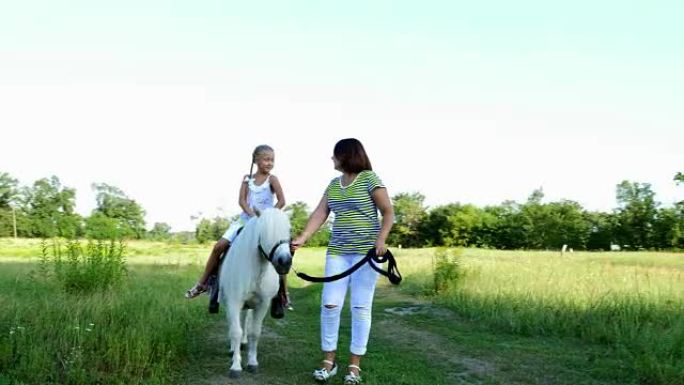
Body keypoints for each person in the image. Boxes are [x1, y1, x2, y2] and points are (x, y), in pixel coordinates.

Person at [291, 138, 394, 385]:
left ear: (346, 156)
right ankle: (329, 361)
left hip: (365, 254)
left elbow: (388, 212)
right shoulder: (333, 185)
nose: (332, 159)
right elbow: (320, 212)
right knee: (329, 305)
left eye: (334, 155)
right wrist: (303, 237)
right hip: (338, 252)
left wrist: (381, 239)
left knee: (360, 308)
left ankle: (354, 366)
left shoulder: (370, 179)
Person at [185, 144, 292, 310]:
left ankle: (283, 293)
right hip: (245, 219)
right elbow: (242, 201)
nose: (270, 163)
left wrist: (268, 217)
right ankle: (204, 283)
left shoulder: (273, 179)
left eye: (272, 160)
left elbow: (282, 201)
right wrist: (251, 214)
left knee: (280, 251)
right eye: (266, 159)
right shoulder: (247, 179)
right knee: (219, 246)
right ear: (256, 160)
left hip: (266, 221)